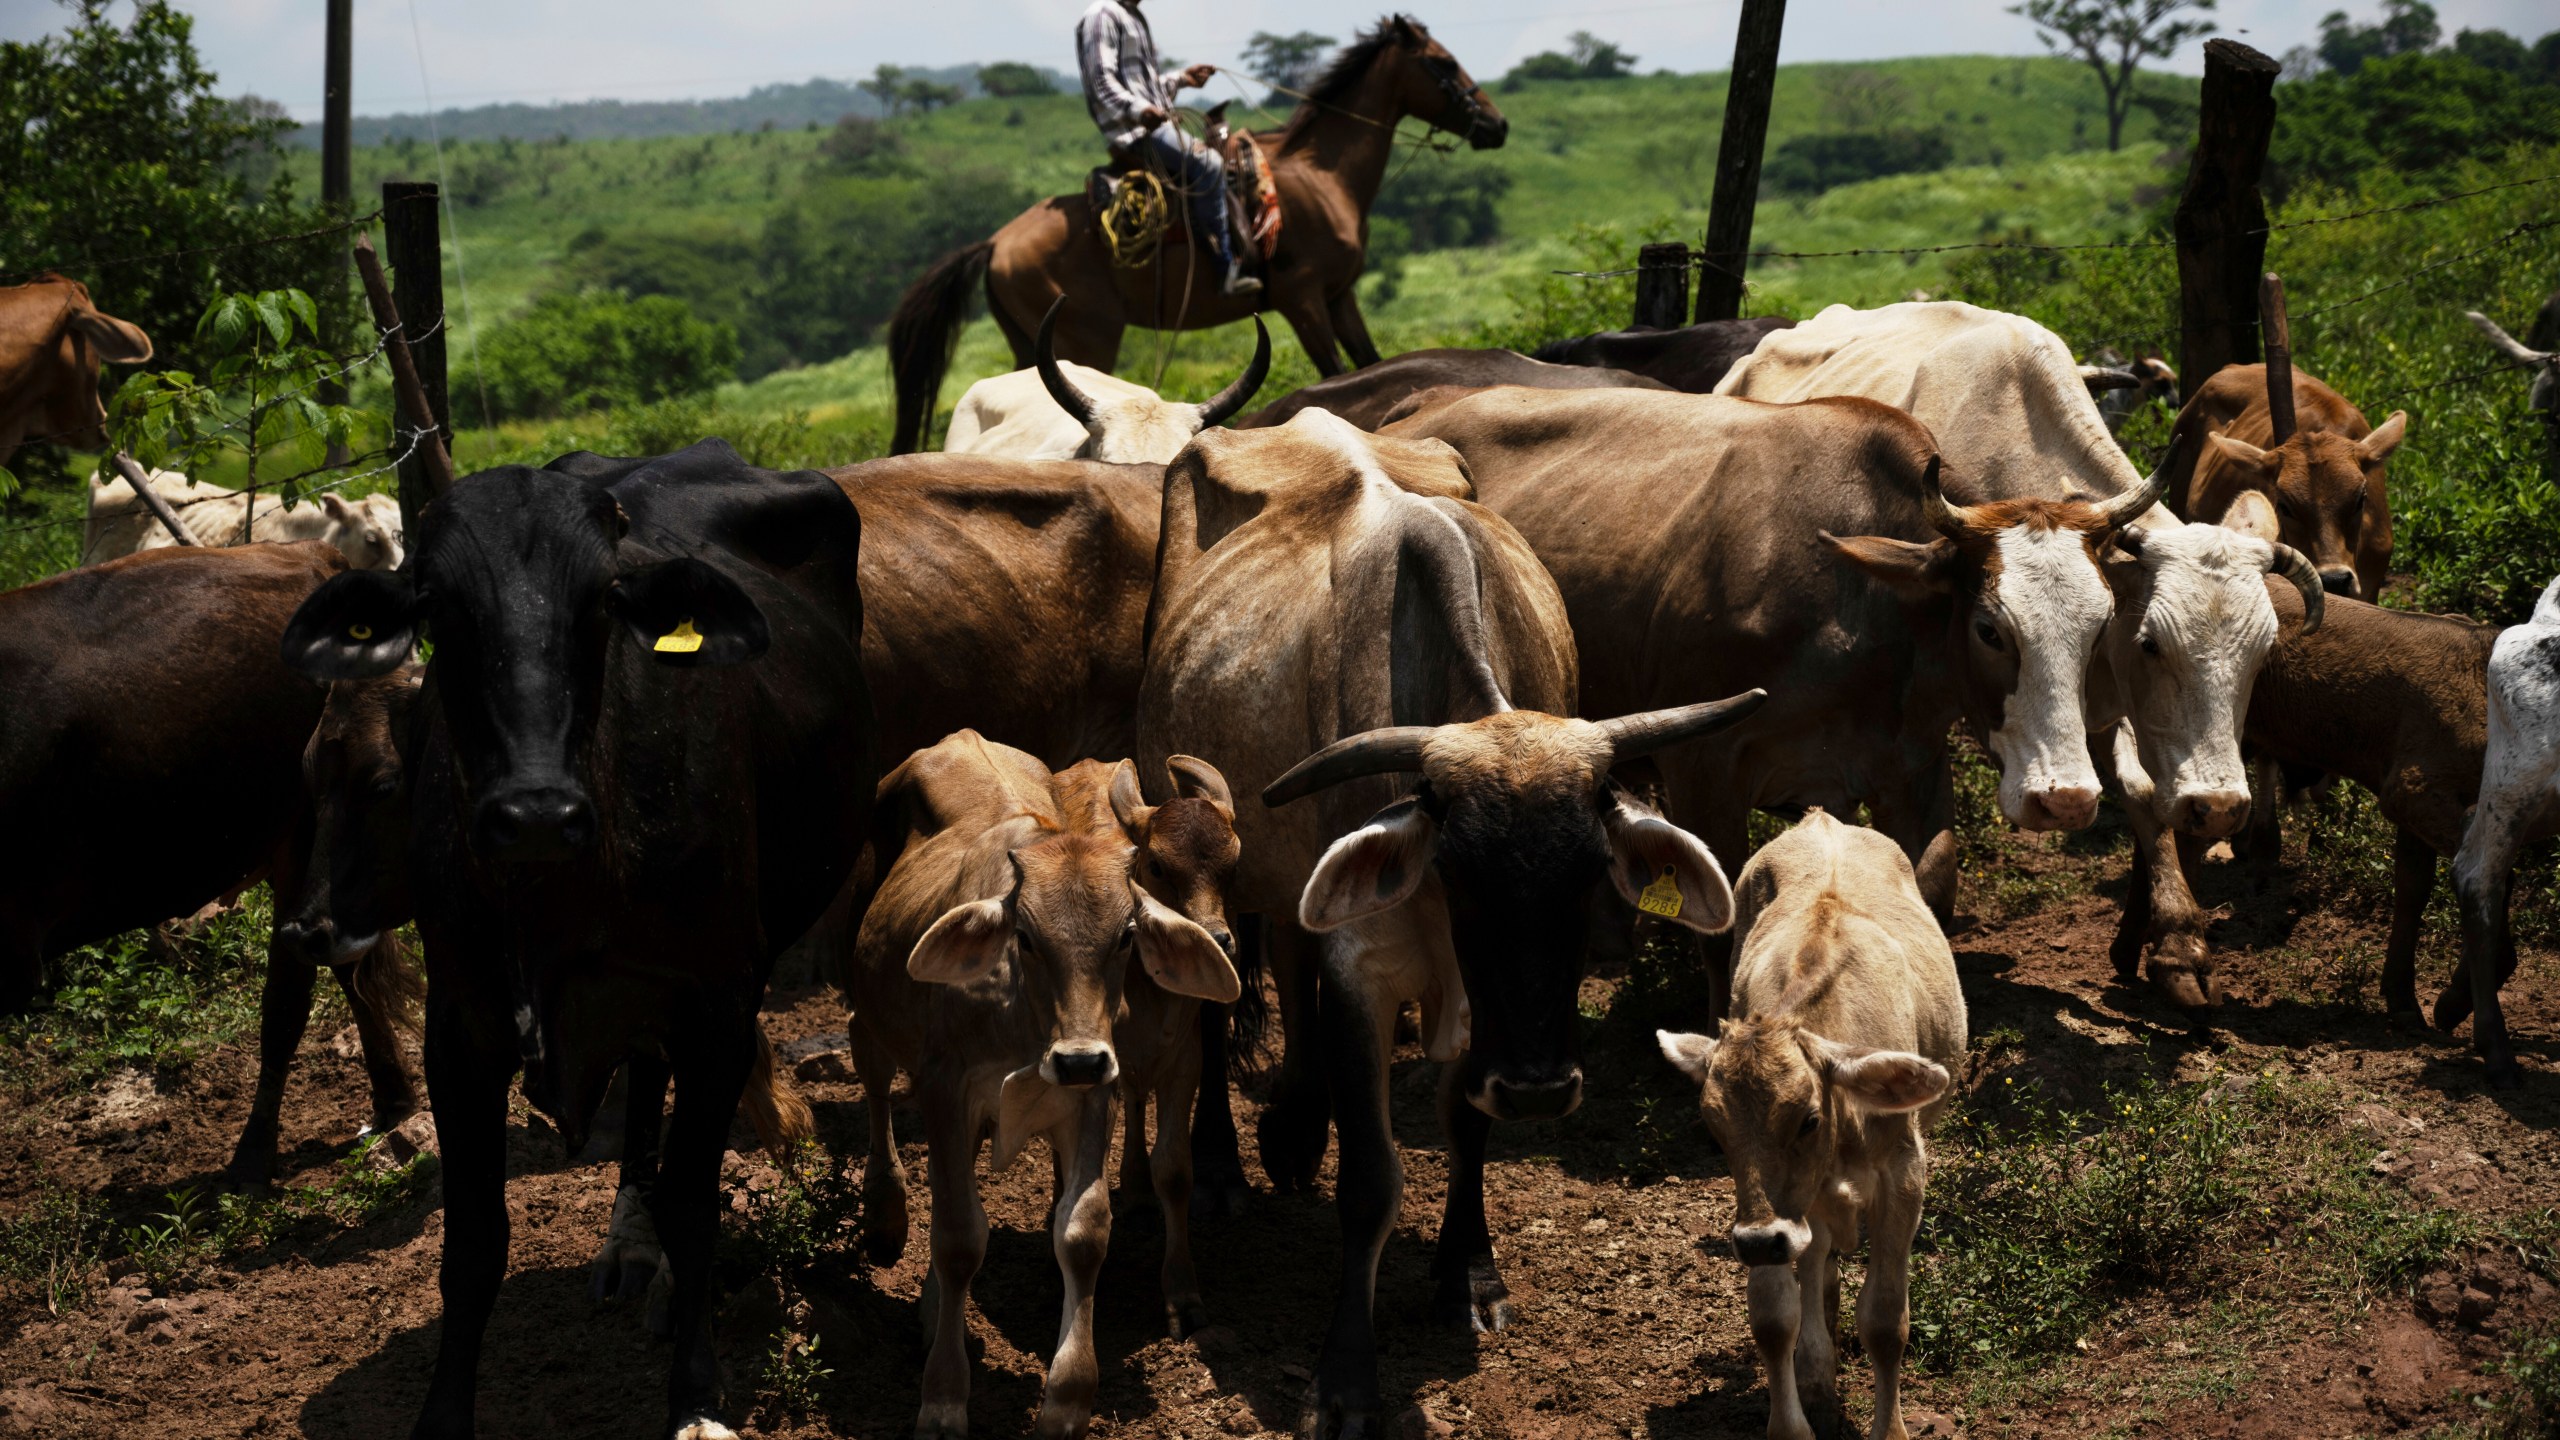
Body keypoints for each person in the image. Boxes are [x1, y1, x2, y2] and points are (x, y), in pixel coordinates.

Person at [1076, 0, 1263, 297]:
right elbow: (1101, 83)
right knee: (1211, 165)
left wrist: (1182, 79)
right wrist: (1141, 111)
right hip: (1136, 134)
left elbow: (1144, 88)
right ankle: (1225, 267)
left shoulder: (1132, 16)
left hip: (1152, 125)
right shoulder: (1102, 14)